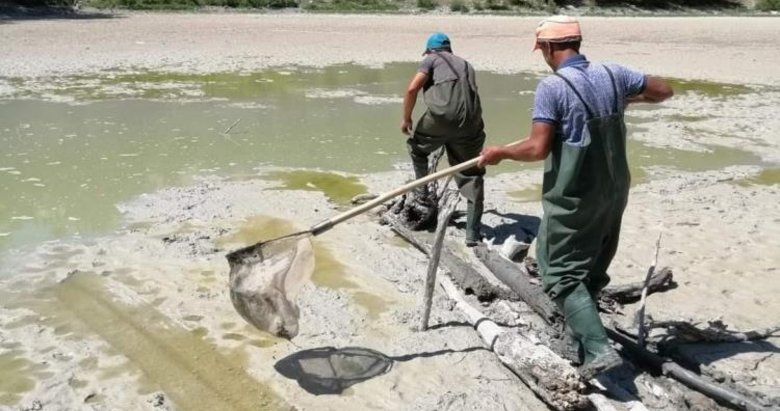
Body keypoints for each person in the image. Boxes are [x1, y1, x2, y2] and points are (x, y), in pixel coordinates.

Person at [478, 16, 673, 378]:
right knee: (593, 265)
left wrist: (501, 153)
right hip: (615, 190)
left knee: (558, 269)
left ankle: (597, 349)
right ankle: (578, 338)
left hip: (576, 194)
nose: (543, 57)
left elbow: (538, 148)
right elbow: (664, 91)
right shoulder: (614, 75)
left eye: (543, 51)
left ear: (550, 48)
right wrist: (627, 100)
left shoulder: (553, 87)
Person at [401, 32, 486, 246]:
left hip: (441, 119)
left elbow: (412, 88)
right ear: (449, 49)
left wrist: (406, 118)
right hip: (472, 122)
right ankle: (472, 234)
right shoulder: (466, 64)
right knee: (472, 173)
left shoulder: (430, 60)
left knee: (417, 148)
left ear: (430, 50)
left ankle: (422, 194)